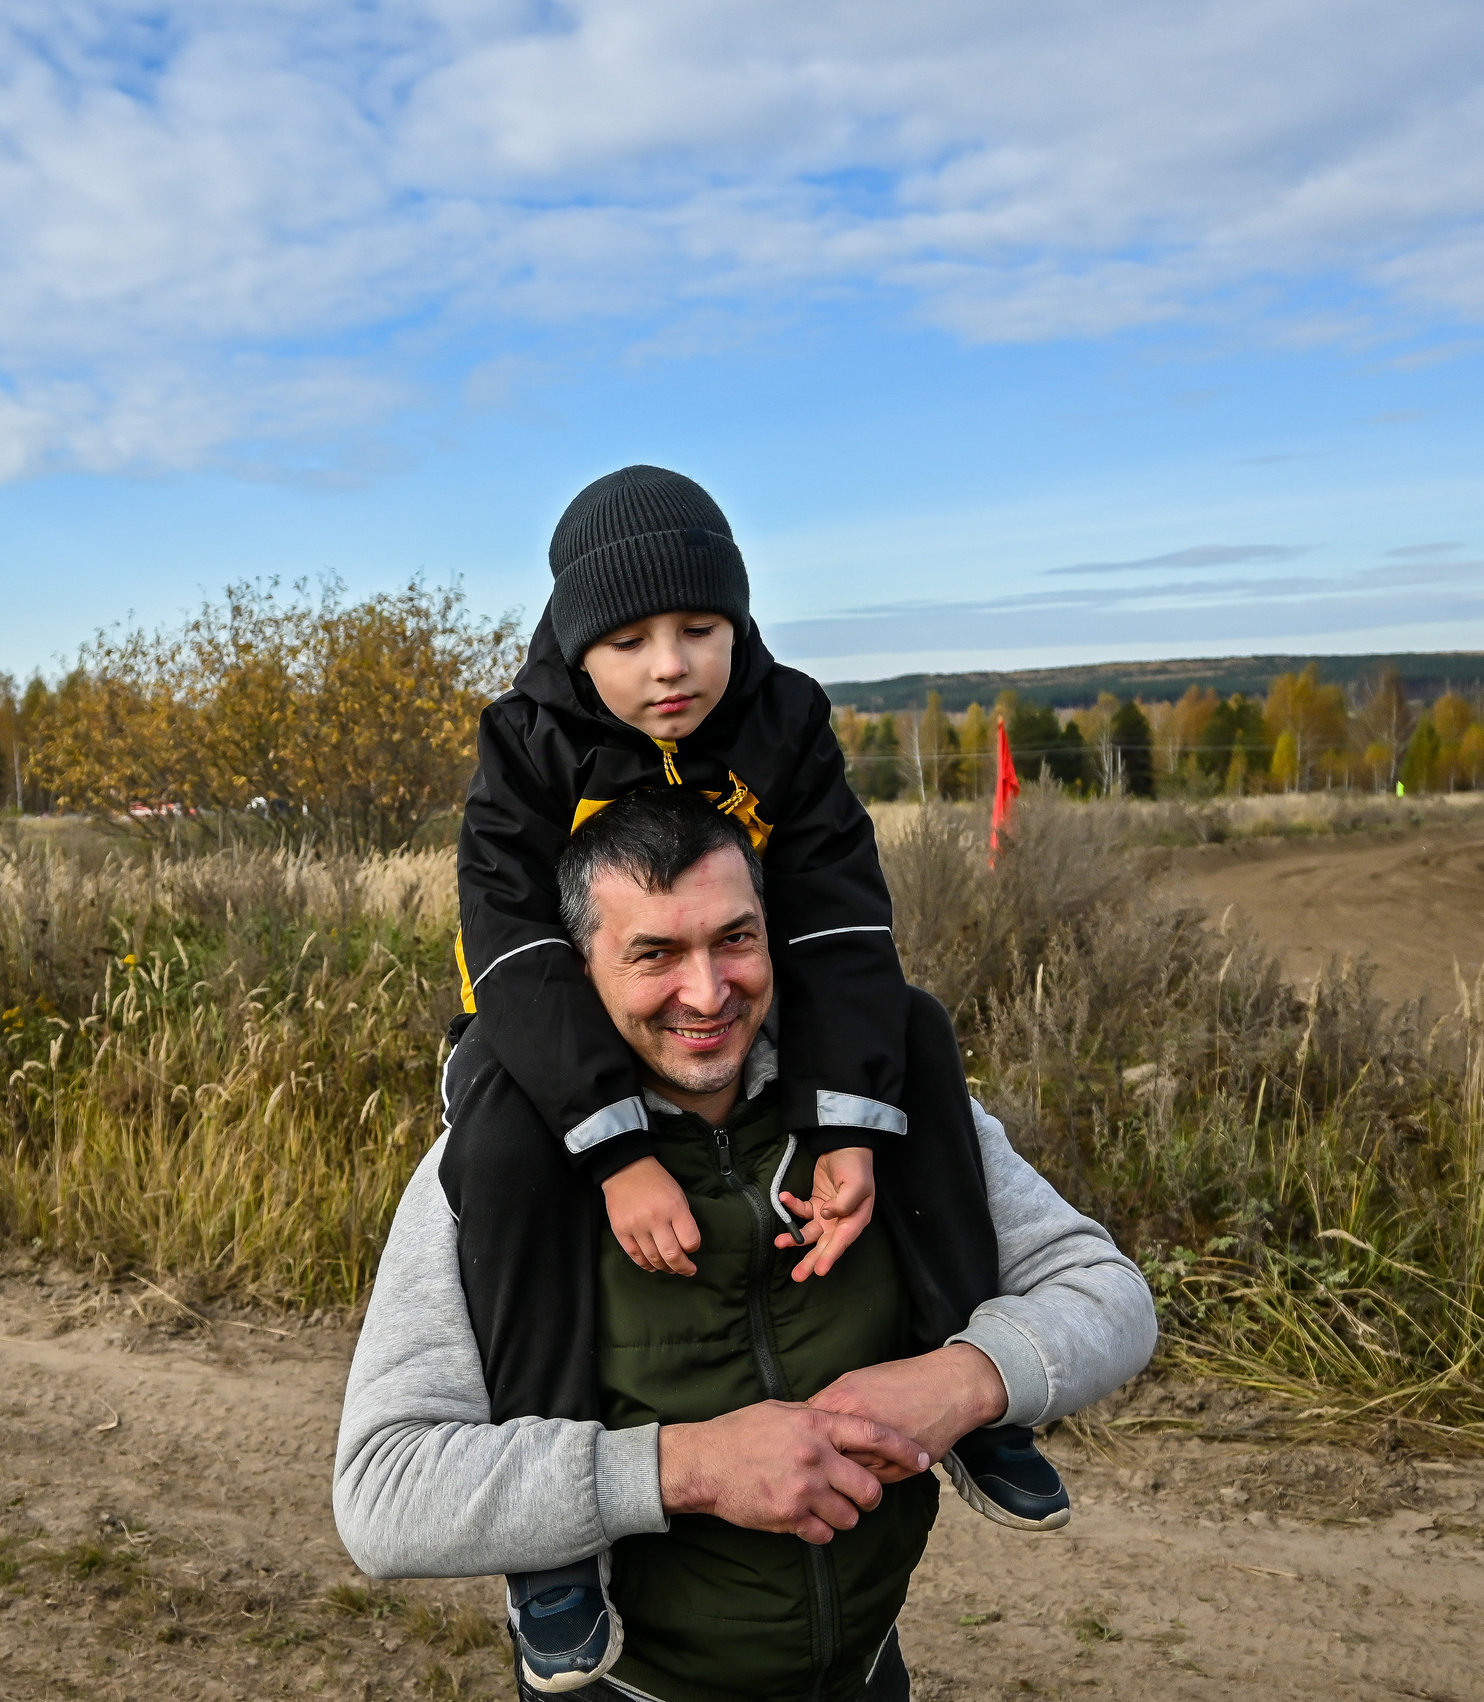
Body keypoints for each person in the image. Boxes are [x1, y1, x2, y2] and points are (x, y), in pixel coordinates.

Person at [448, 465, 1067, 1689]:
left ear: (741, 624)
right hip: (560, 1042)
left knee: (921, 1030)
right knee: (503, 1129)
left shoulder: (783, 722)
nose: (668, 665)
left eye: (700, 630)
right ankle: (555, 1546)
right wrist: (614, 1148)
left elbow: (838, 922)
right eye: (627, 641)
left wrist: (850, 1124)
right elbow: (511, 949)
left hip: (749, 1018)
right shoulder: (528, 745)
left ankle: (974, 1392)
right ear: (578, 648)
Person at [337, 791, 1157, 1700]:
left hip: (864, 1678)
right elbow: (384, 1491)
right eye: (654, 953)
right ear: (577, 971)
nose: (709, 990)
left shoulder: (880, 1111)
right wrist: (688, 1468)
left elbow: (1108, 1293)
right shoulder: (494, 1165)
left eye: (735, 938)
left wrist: (961, 1382)